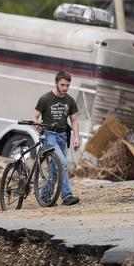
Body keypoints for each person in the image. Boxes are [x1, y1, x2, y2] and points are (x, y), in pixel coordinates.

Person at [32, 71, 80, 206]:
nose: (65, 88)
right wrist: (37, 125)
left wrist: (76, 138)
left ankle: (45, 197)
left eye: (68, 85)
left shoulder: (69, 100)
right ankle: (67, 196)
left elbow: (74, 120)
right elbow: (34, 116)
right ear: (56, 83)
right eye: (63, 85)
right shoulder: (46, 99)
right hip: (50, 136)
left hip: (63, 136)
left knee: (54, 170)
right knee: (62, 163)